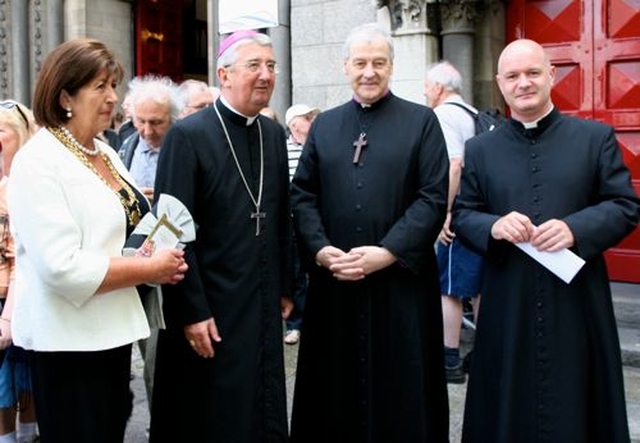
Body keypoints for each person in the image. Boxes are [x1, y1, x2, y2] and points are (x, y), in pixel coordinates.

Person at [453, 39, 640, 443]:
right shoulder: (480, 149)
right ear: (500, 84)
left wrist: (577, 228)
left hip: (576, 301)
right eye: (513, 76)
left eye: (533, 73)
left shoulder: (594, 138)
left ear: (551, 75)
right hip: (508, 300)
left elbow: (625, 205)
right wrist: (493, 226)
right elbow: (463, 216)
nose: (524, 83)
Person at [7, 38, 188, 443]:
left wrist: (159, 251)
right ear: (65, 95)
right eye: (100, 87)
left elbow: (126, 227)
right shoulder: (39, 161)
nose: (113, 98)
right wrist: (147, 268)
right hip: (67, 342)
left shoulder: (106, 153)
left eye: (113, 85)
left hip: (112, 332)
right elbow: (61, 265)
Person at [289, 23, 450, 442]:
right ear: (345, 67)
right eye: (360, 62)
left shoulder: (422, 122)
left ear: (391, 67)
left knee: (403, 382)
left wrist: (388, 251)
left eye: (379, 63)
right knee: (334, 385)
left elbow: (432, 198)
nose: (369, 72)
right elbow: (302, 193)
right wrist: (321, 249)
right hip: (335, 281)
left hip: (401, 283)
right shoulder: (325, 127)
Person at [148, 30, 292, 442]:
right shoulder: (188, 136)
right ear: (223, 75)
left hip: (259, 295)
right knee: (211, 412)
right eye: (254, 66)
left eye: (270, 65)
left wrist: (284, 285)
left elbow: (281, 215)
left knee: (260, 399)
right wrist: (191, 310)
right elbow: (171, 232)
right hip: (209, 302)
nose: (265, 75)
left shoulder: (272, 134)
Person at [424, 61, 483, 384]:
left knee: (449, 288)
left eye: (426, 86)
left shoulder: (443, 114)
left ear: (437, 87)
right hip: (480, 211)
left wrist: (445, 212)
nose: (424, 92)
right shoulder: (473, 113)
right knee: (477, 286)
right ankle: (485, 352)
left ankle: (449, 359)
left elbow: (454, 164)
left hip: (459, 213)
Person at [0, 100, 38, 443]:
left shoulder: (21, 184)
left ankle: (26, 436)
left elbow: (20, 259)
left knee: (23, 377)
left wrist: (8, 317)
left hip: (15, 297)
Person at [282, 103, 320, 345]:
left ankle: (318, 320)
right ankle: (295, 325)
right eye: (308, 118)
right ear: (295, 123)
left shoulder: (319, 147)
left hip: (317, 222)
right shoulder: (283, 150)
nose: (312, 121)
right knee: (295, 273)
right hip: (292, 222)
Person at [119, 75, 181, 204]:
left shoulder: (186, 149)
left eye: (156, 122)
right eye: (141, 121)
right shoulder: (127, 147)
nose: (147, 132)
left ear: (173, 119)